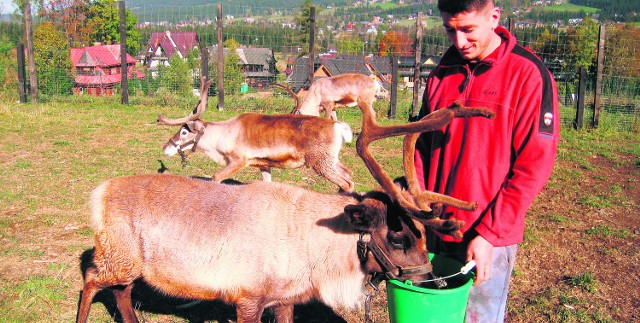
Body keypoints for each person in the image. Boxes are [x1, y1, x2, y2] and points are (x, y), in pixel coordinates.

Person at [413, 0, 560, 322]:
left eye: (467, 30)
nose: (459, 42)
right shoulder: (443, 72)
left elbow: (534, 164)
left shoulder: (528, 75)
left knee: (479, 316)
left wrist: (491, 234)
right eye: (450, 31)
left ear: (494, 17)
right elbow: (422, 144)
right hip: (437, 225)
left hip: (486, 232)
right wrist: (419, 203)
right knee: (435, 314)